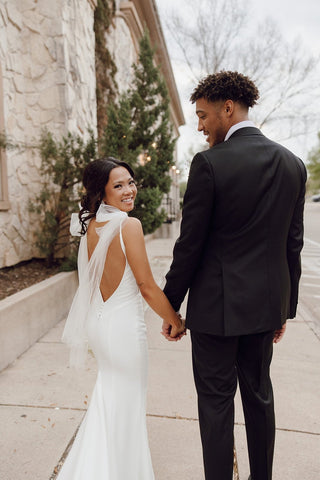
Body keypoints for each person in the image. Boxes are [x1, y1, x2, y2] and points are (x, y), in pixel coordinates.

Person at [162, 71, 307, 480]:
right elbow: (290, 246)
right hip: (264, 311)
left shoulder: (208, 164)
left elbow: (189, 246)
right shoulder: (292, 164)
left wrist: (170, 306)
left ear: (228, 108)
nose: (201, 126)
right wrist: (285, 309)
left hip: (215, 313)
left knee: (215, 404)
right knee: (260, 398)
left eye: (204, 115)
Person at [57, 157, 185, 480]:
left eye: (130, 182)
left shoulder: (91, 229)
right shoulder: (129, 226)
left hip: (100, 326)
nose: (129, 190)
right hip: (125, 332)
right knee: (127, 408)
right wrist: (176, 319)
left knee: (108, 400)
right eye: (119, 185)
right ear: (102, 194)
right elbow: (146, 286)